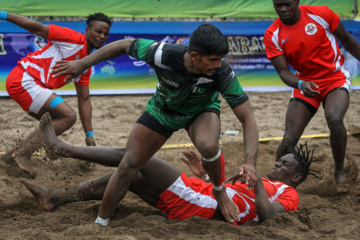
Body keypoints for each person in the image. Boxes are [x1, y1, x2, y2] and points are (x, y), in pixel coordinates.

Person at [47, 24, 259, 223]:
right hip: (163, 110)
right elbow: (123, 44)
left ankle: (219, 190)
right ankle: (101, 222)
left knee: (209, 146)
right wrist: (83, 63)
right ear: (194, 56)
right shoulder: (162, 54)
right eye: (213, 59)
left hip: (200, 111)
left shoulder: (222, 73)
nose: (218, 64)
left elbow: (248, 118)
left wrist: (249, 162)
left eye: (221, 59)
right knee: (128, 165)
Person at [21, 112, 319, 226]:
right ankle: (55, 198)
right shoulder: (258, 181)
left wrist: (253, 182)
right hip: (199, 198)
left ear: (295, 177)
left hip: (203, 209)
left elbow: (266, 215)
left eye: (283, 165)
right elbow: (220, 192)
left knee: (140, 157)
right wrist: (201, 174)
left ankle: (62, 149)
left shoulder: (287, 194)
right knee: (131, 175)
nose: (276, 164)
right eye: (279, 160)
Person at [0, 11, 112, 176]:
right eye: (98, 31)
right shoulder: (72, 38)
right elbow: (38, 28)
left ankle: (9, 158)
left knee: (52, 124)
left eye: (106, 34)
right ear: (87, 31)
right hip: (23, 79)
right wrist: (4, 15)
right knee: (68, 116)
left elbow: (84, 99)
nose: (102, 36)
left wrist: (89, 135)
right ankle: (23, 154)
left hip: (27, 85)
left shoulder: (85, 64)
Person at [264, 0, 360, 185]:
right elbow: (284, 73)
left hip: (334, 77)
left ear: (297, 1)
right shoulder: (272, 34)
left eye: (287, 4)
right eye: (278, 5)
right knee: (289, 137)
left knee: (334, 118)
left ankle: (339, 173)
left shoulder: (321, 14)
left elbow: (347, 39)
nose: (282, 9)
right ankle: (275, 183)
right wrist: (301, 84)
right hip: (305, 83)